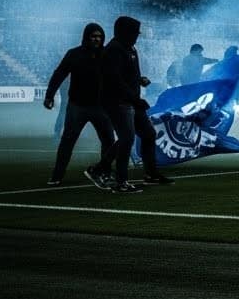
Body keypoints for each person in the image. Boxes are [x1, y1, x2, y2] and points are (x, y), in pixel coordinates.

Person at [100, 16, 171, 192]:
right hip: (118, 102)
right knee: (127, 138)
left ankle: (151, 174)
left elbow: (125, 75)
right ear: (124, 32)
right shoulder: (114, 50)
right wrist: (136, 99)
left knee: (148, 134)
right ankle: (119, 181)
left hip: (130, 100)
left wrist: (139, 80)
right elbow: (115, 80)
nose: (136, 37)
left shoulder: (129, 48)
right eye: (134, 33)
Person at [45, 23, 116, 187]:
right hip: (77, 106)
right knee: (67, 141)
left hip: (101, 106)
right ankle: (57, 175)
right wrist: (49, 95)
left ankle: (105, 173)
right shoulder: (74, 54)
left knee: (108, 141)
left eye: (99, 36)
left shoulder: (107, 54)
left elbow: (119, 75)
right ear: (86, 37)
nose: (97, 39)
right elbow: (59, 73)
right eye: (93, 36)